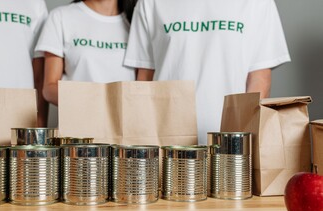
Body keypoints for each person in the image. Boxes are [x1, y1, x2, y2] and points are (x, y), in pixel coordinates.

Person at [124, 0, 291, 144]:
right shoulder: (150, 2)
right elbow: (144, 80)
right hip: (166, 143)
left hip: (229, 142)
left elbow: (259, 79)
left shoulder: (257, 2)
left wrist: (240, 140)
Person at [35, 0, 136, 106]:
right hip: (79, 119)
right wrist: (92, 101)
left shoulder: (136, 22)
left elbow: (143, 85)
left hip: (125, 120)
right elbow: (49, 88)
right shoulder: (61, 16)